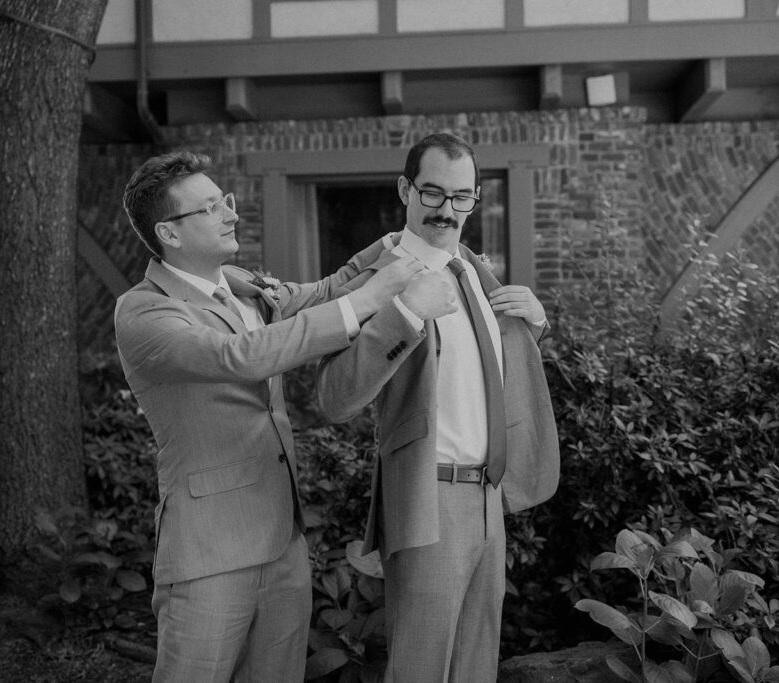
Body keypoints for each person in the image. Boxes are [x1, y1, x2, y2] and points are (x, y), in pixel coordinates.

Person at [114, 150, 424, 682]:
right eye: (211, 208)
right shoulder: (144, 312)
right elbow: (240, 356)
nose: (230, 213)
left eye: (225, 201)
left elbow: (326, 293)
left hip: (284, 542)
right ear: (169, 232)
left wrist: (399, 243)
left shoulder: (240, 288)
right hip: (210, 553)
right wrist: (374, 297)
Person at [316, 132, 560, 682]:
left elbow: (480, 374)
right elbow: (334, 396)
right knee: (421, 671)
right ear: (405, 189)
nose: (447, 210)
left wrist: (533, 330)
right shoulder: (380, 276)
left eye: (461, 197)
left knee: (477, 668)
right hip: (429, 497)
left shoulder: (475, 271)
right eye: (432, 193)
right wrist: (402, 312)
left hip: (489, 499)